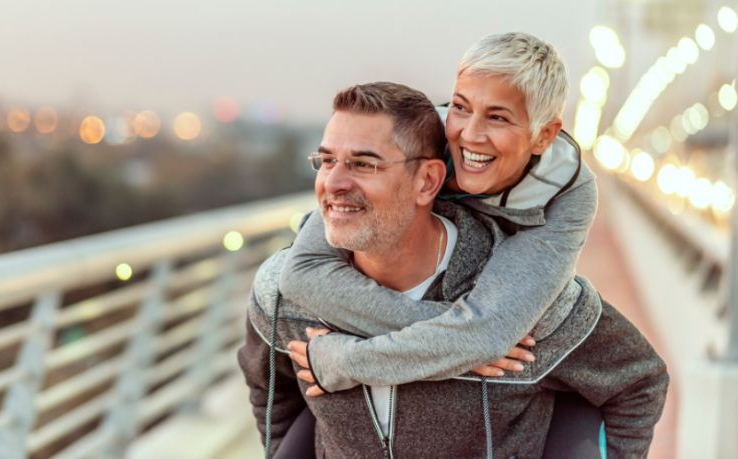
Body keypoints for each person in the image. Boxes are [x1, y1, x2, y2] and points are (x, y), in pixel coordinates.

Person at [238, 81, 668, 458]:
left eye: (364, 164)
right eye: (327, 160)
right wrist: (465, 344)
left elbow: (639, 383)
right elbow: (272, 397)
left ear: (428, 181)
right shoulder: (283, 298)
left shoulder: (529, 306)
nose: (333, 183)